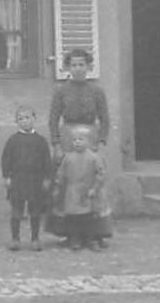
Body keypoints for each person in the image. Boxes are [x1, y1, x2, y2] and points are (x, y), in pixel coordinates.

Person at [47, 47, 113, 246]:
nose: (77, 69)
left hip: (90, 139)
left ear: (89, 66)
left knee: (91, 183)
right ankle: (70, 233)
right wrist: (57, 144)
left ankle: (95, 233)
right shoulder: (61, 91)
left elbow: (105, 118)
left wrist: (100, 141)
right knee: (68, 185)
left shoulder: (96, 91)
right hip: (68, 138)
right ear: (68, 67)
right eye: (73, 65)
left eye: (81, 65)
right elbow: (53, 118)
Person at [0, 105, 53, 251]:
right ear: (16, 122)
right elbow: (6, 160)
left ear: (34, 119)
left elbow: (47, 160)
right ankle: (15, 239)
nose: (24, 121)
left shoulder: (41, 141)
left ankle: (35, 239)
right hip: (18, 181)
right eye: (20, 119)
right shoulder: (13, 141)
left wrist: (47, 178)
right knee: (16, 211)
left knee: (35, 211)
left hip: (35, 181)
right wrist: (6, 177)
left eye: (27, 117)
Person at [51, 125, 108, 250]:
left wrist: (95, 188)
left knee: (89, 218)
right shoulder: (68, 158)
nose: (77, 142)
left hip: (88, 192)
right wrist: (58, 186)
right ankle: (74, 239)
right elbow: (61, 173)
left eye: (81, 139)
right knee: (73, 218)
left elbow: (100, 173)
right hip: (72, 192)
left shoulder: (93, 157)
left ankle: (91, 239)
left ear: (88, 142)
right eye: (75, 140)